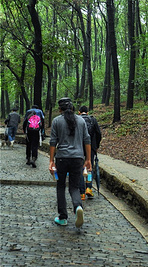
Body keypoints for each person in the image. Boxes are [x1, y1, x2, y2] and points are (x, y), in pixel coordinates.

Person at [49, 97, 91, 228]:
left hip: (62, 158)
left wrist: (51, 160)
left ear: (60, 109)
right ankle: (78, 206)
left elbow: (53, 142)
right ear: (72, 108)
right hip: (78, 158)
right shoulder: (81, 121)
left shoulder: (56, 121)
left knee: (61, 186)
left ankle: (63, 217)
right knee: (74, 187)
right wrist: (88, 159)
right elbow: (87, 140)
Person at [78, 106, 102, 200]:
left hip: (79, 147)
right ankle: (89, 187)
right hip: (91, 147)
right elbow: (98, 133)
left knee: (80, 168)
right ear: (87, 112)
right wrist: (96, 146)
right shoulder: (93, 120)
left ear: (79, 112)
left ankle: (81, 192)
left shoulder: (77, 119)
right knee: (89, 167)